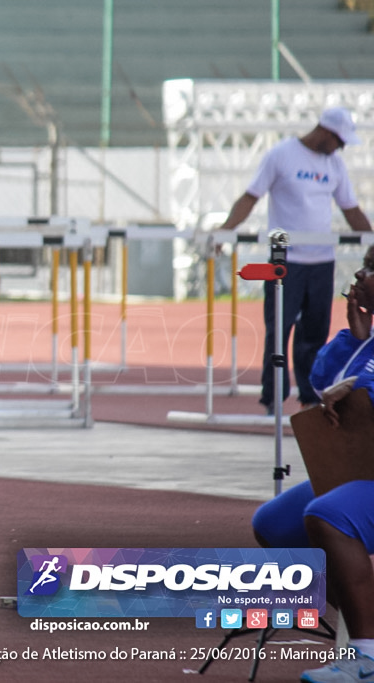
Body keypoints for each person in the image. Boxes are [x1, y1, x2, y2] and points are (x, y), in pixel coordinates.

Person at [249, 246, 374, 682]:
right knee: (275, 522)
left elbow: (358, 390)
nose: (359, 274)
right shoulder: (370, 340)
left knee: (327, 514)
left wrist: (361, 382)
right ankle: (368, 625)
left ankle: (367, 657)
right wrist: (354, 340)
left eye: (372, 269)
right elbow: (321, 382)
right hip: (360, 469)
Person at [218, 107, 371, 415]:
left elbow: (350, 209)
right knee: (279, 330)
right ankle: (272, 399)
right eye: (340, 141)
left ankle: (311, 397)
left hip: (321, 261)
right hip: (284, 262)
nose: (341, 148)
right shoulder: (281, 155)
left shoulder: (335, 165)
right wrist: (225, 231)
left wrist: (373, 240)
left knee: (314, 332)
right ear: (326, 133)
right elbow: (251, 196)